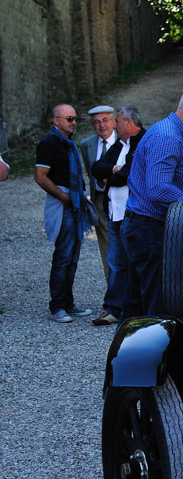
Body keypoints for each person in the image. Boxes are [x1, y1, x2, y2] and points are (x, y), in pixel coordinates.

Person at [122, 82, 183, 319]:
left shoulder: (169, 132)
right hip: (149, 230)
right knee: (156, 311)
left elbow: (163, 186)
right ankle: (155, 356)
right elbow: (158, 190)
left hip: (143, 228)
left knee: (135, 308)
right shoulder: (168, 138)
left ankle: (126, 356)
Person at [34, 104, 93, 323]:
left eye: (75, 119)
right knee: (63, 257)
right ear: (55, 121)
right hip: (65, 205)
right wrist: (64, 197)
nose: (73, 122)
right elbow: (40, 176)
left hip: (75, 205)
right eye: (69, 119)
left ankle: (68, 303)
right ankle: (57, 306)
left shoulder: (67, 143)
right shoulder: (49, 143)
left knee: (72, 258)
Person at [90, 106, 146, 326]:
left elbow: (128, 175)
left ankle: (133, 309)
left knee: (134, 262)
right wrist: (114, 169)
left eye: (117, 122)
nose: (114, 125)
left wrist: (110, 176)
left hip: (133, 215)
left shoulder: (141, 141)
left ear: (128, 122)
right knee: (115, 262)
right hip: (114, 213)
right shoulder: (119, 144)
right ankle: (113, 308)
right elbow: (96, 168)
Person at [79, 105, 116, 280]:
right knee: (106, 248)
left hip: (122, 201)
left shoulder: (124, 142)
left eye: (105, 120)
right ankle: (113, 296)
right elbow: (91, 172)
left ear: (114, 121)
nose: (102, 125)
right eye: (96, 122)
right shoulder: (87, 145)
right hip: (100, 201)